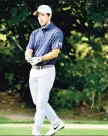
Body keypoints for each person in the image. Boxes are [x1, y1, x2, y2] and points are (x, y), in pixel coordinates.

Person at [25, 5, 65, 136]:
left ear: (49, 16)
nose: (40, 18)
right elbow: (29, 49)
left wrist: (40, 58)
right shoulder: (35, 33)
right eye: (38, 15)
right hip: (34, 71)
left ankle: (36, 131)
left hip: (47, 70)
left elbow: (55, 52)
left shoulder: (56, 32)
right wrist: (29, 57)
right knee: (38, 102)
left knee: (41, 103)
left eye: (43, 15)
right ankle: (56, 123)